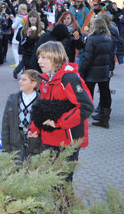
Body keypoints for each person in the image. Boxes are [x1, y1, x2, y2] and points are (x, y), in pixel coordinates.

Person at [28, 41, 94, 182]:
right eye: (39, 57)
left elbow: (86, 106)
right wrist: (35, 127)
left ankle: (66, 205)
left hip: (67, 141)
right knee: (51, 180)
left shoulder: (68, 78)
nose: (39, 61)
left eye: (44, 57)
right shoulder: (46, 79)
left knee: (62, 183)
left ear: (56, 57)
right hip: (50, 138)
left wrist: (58, 122)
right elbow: (43, 107)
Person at [78, 17, 114, 129]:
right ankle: (105, 119)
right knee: (105, 94)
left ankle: (83, 122)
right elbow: (111, 56)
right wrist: (110, 69)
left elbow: (87, 58)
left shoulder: (91, 39)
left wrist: (81, 72)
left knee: (88, 96)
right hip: (104, 71)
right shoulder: (108, 38)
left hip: (92, 72)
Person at [1, 69, 43, 162]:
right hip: (15, 139)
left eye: (24, 80)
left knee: (31, 168)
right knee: (16, 167)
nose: (20, 82)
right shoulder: (12, 99)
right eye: (20, 79)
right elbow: (5, 123)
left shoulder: (41, 101)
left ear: (34, 83)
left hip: (34, 142)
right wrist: (6, 146)